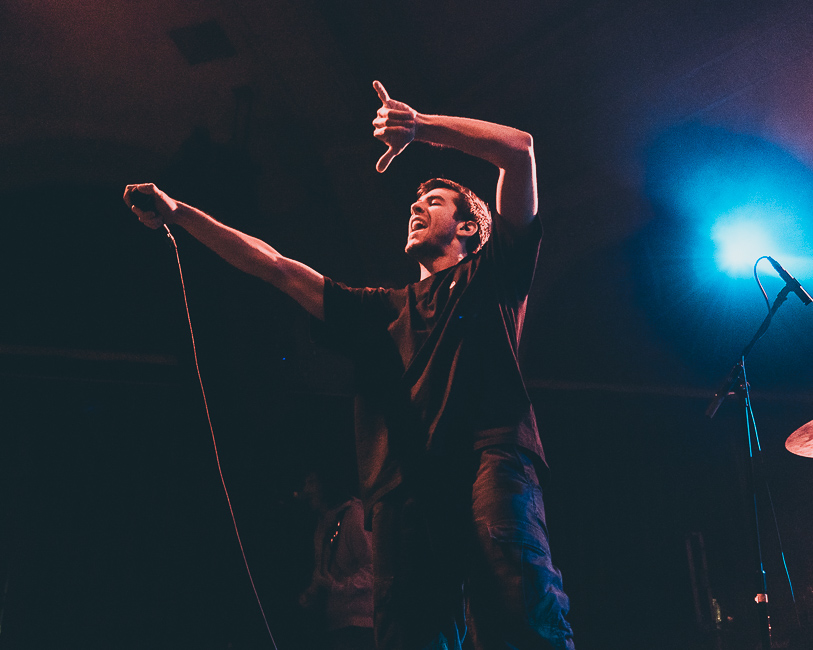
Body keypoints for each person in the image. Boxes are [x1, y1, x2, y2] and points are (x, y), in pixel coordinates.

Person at [125, 80, 575, 649]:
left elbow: (519, 148)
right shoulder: (377, 312)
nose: (416, 208)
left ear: (467, 226)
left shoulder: (492, 274)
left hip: (489, 459)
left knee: (517, 609)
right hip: (402, 491)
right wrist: (179, 213)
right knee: (412, 634)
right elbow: (278, 268)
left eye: (433, 203)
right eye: (414, 204)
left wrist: (420, 126)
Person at [297, 467, 374, 650]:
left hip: (359, 624)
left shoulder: (354, 516)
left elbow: (373, 568)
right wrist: (313, 591)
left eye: (311, 482)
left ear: (326, 484)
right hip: (337, 623)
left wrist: (337, 587)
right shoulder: (322, 523)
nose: (306, 490)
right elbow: (325, 570)